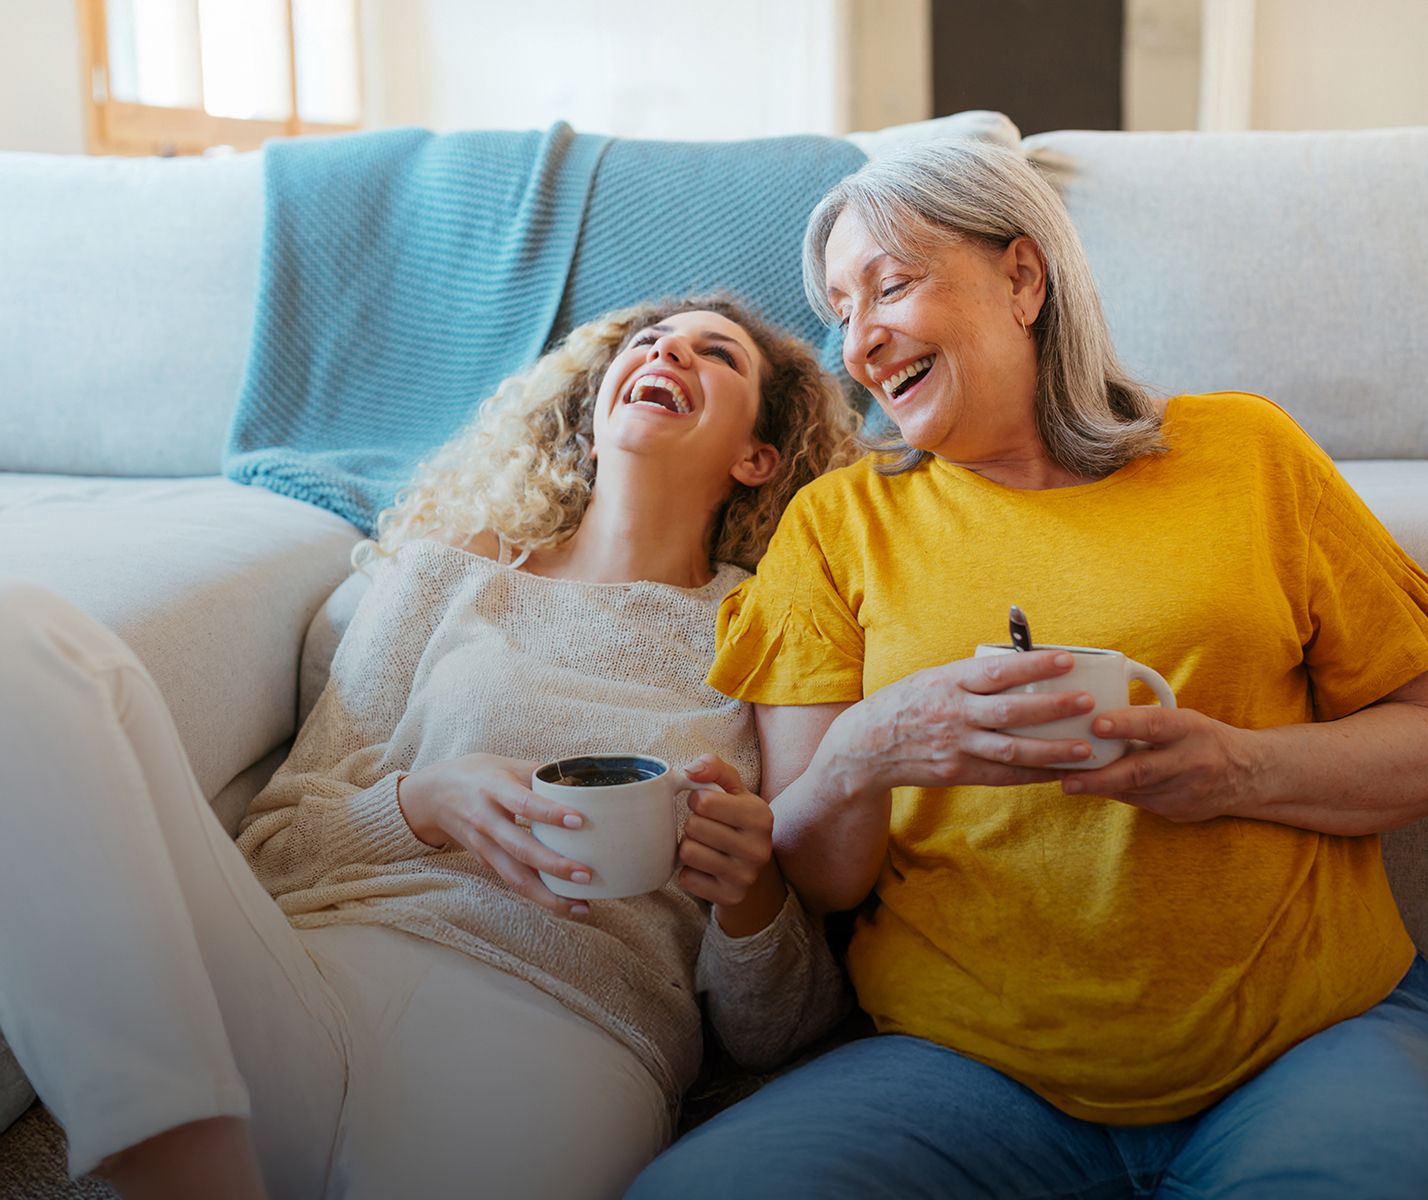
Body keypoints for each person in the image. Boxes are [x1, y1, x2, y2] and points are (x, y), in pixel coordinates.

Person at [628, 145, 1428, 1199]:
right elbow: (820, 875)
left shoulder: (1249, 454)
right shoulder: (838, 523)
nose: (858, 341)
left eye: (893, 284)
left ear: (1022, 278)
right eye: (839, 309)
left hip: (1310, 1041)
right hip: (962, 1068)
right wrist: (872, 747)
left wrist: (1237, 770)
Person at [0, 295, 860, 1200]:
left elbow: (780, 1033)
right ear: (593, 417)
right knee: (28, 639)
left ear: (758, 457)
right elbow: (269, 849)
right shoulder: (447, 576)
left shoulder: (763, 633)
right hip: (307, 981)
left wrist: (751, 897)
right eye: (647, 342)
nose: (668, 353)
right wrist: (423, 803)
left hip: (559, 1038)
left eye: (715, 355)